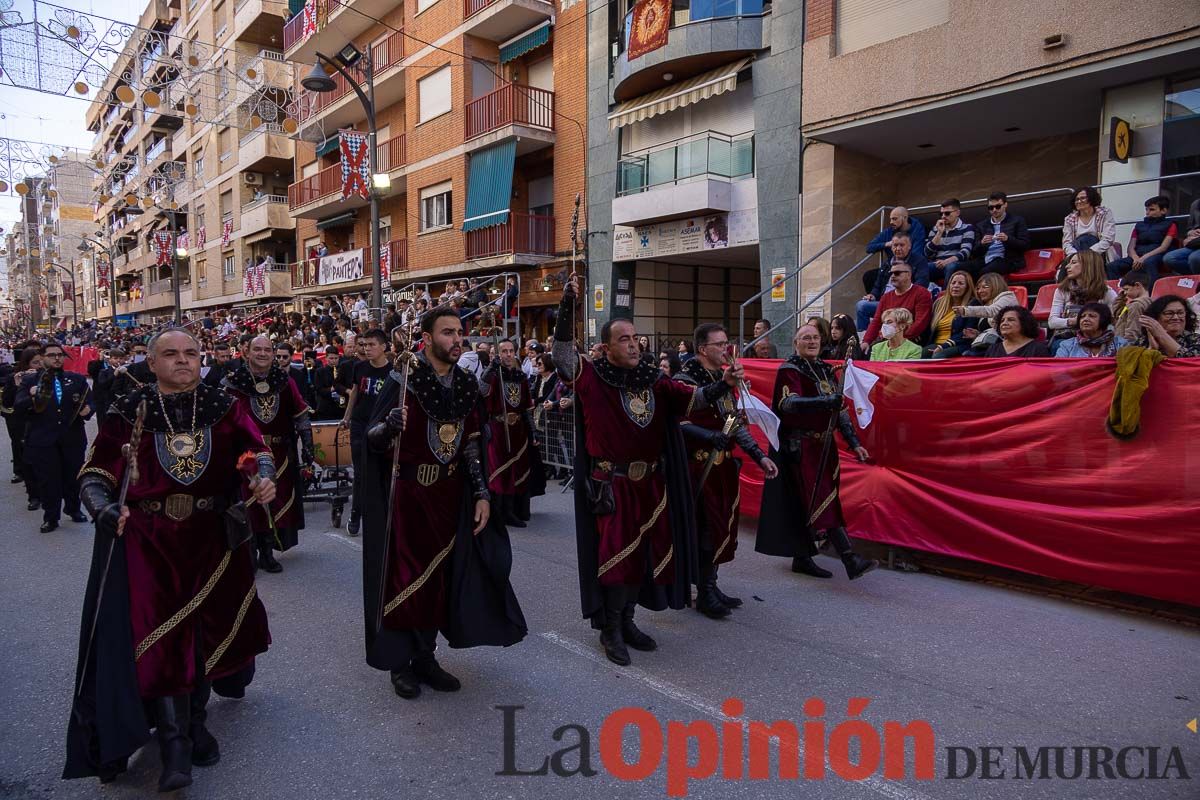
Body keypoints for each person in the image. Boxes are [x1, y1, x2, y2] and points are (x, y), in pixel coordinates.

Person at [64, 329, 277, 792]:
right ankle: (177, 741)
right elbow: (96, 471)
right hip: (147, 540)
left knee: (202, 635)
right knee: (163, 641)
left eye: (191, 354)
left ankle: (195, 723)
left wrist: (261, 475)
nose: (183, 361)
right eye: (171, 354)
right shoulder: (128, 410)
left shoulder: (225, 405)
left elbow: (254, 451)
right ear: (151, 360)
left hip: (211, 537)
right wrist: (102, 507)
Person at [552, 276, 743, 666]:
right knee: (616, 559)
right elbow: (561, 356)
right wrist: (567, 307)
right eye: (624, 339)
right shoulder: (591, 377)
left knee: (642, 557)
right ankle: (609, 629)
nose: (634, 343)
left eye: (635, 337)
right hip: (614, 485)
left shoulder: (656, 380)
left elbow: (695, 400)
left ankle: (627, 621)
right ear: (606, 347)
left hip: (652, 484)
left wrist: (724, 384)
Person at [360, 306, 526, 700]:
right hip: (407, 500)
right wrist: (388, 427)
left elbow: (470, 445)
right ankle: (401, 662)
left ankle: (426, 657)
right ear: (428, 337)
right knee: (404, 581)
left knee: (440, 581)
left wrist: (482, 494)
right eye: (447, 333)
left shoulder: (466, 385)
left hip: (450, 498)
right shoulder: (403, 381)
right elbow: (372, 440)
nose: (456, 340)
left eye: (459, 333)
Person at [756, 324, 876, 580]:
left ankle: (802, 557)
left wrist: (854, 442)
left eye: (814, 337)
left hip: (824, 446)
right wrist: (824, 401)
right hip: (801, 447)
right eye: (805, 338)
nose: (811, 341)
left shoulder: (825, 369)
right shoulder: (790, 369)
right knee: (823, 499)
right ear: (795, 343)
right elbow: (787, 403)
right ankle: (849, 558)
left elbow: (839, 412)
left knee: (808, 502)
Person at [676, 323, 778, 618]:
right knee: (705, 528)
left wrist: (759, 456)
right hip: (697, 467)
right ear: (702, 349)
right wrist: (708, 437)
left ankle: (711, 584)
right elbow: (677, 423)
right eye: (719, 344)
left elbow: (734, 423)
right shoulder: (686, 379)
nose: (726, 349)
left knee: (720, 526)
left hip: (722, 467)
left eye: (727, 342)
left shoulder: (724, 379)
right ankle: (703, 591)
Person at [222, 335, 313, 572]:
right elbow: (223, 421)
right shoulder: (233, 383)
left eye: (267, 350)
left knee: (274, 501)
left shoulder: (285, 381)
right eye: (257, 349)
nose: (262, 354)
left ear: (273, 354)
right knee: (249, 503)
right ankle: (249, 550)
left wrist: (308, 444)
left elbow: (301, 413)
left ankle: (267, 551)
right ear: (247, 352)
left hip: (281, 453)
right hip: (246, 455)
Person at [15, 342, 94, 533]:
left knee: (74, 477)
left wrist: (89, 409)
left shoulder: (75, 379)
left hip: (72, 437)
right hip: (43, 439)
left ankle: (74, 509)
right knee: (48, 480)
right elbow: (18, 406)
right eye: (51, 355)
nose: (57, 358)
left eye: (60, 355)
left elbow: (89, 399)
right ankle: (51, 517)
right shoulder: (31, 381)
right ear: (42, 358)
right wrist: (33, 397)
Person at [481, 339, 546, 528]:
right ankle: (497, 512)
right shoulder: (493, 375)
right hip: (498, 429)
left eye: (511, 351)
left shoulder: (520, 377)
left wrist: (533, 432)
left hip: (518, 429)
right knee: (499, 472)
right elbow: (482, 391)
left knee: (516, 471)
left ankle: (511, 511)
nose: (508, 355)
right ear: (497, 354)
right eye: (504, 351)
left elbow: (526, 407)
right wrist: (490, 370)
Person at [339, 329, 391, 536]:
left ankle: (384, 515)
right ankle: (356, 514)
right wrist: (347, 417)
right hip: (360, 425)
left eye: (371, 345)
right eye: (364, 345)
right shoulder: (359, 367)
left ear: (384, 347)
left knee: (383, 472)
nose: (366, 349)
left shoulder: (394, 371)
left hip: (382, 427)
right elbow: (354, 395)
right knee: (360, 473)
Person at [857, 231, 931, 331]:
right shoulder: (887, 263)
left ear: (909, 246)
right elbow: (877, 286)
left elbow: (922, 283)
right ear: (891, 247)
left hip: (905, 303)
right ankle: (863, 339)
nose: (898, 248)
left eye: (902, 245)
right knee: (862, 305)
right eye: (895, 245)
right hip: (885, 301)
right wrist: (872, 295)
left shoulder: (919, 261)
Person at [1049, 251, 1117, 354]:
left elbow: (1117, 321)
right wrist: (1076, 321)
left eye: (1073, 262)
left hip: (1098, 338)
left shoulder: (1106, 292)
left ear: (1088, 265)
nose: (1067, 266)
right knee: (1060, 346)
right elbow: (1052, 322)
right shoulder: (1062, 290)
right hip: (1068, 337)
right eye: (1068, 263)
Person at [1105, 195, 1178, 285]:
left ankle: (1151, 294)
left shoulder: (1171, 225)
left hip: (1157, 255)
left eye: (1152, 210)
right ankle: (1117, 293)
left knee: (1148, 263)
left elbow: (1163, 247)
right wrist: (1135, 257)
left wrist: (1143, 258)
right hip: (1137, 256)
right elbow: (1131, 247)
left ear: (1163, 210)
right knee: (1112, 266)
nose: (1147, 213)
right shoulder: (1139, 225)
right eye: (1146, 209)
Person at [3, 346, 42, 509]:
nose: (39, 365)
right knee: (25, 455)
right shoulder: (15, 377)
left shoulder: (49, 376)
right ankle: (32, 493)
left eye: (41, 361)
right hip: (21, 422)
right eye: (35, 363)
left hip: (43, 422)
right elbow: (8, 402)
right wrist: (17, 385)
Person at [862, 261, 933, 348]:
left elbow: (920, 322)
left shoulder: (922, 293)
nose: (892, 276)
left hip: (912, 341)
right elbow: (876, 321)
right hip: (889, 340)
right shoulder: (886, 297)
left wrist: (899, 337)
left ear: (909, 275)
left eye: (897, 273)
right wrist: (866, 341)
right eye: (891, 273)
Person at [862, 206, 927, 295]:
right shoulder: (889, 231)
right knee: (869, 276)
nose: (891, 222)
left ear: (904, 218)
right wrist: (886, 244)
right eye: (895, 245)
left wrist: (901, 264)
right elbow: (869, 247)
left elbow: (917, 254)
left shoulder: (917, 229)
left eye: (894, 219)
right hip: (891, 264)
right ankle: (876, 300)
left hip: (911, 264)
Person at [963, 192, 1030, 276]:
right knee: (958, 269)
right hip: (985, 259)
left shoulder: (1017, 221)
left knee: (984, 272)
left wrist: (1008, 239)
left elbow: (1025, 245)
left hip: (1007, 260)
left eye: (998, 206)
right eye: (991, 208)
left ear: (1005, 205)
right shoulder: (981, 225)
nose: (994, 210)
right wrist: (982, 243)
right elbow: (974, 252)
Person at [955, 272, 1020, 355]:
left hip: (1009, 346)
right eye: (978, 288)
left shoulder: (1007, 296)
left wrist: (966, 310)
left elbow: (993, 311)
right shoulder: (987, 305)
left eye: (985, 287)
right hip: (993, 346)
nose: (980, 291)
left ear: (996, 286)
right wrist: (977, 334)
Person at [926, 271, 981, 358]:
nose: (956, 286)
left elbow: (966, 332)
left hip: (958, 345)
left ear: (967, 287)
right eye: (953, 283)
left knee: (938, 356)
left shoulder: (973, 304)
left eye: (961, 283)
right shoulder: (939, 303)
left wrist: (943, 346)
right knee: (918, 353)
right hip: (936, 344)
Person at [925, 198, 977, 282]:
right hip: (937, 264)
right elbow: (927, 253)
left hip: (956, 264)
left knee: (951, 267)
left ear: (957, 213)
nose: (943, 216)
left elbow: (965, 252)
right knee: (920, 268)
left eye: (947, 213)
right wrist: (939, 233)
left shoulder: (967, 228)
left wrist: (946, 261)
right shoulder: (936, 229)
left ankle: (946, 294)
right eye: (941, 213)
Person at [1062, 186, 1117, 262]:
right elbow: (1067, 243)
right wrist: (1076, 255)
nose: (1079, 201)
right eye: (1076, 199)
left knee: (1087, 239)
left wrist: (1088, 254)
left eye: (1083, 198)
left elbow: (1108, 239)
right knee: (1082, 240)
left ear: (1091, 199)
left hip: (1099, 253)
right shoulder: (1069, 219)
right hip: (1076, 253)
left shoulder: (1104, 213)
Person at [1134, 295, 1200, 357]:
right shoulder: (1144, 341)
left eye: (1180, 313)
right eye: (1169, 313)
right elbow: (1133, 365)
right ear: (1156, 317)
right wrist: (1152, 349)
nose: (1176, 317)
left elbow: (1189, 360)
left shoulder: (1195, 339)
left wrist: (1161, 335)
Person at [1055, 302, 1128, 358]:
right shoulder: (1067, 346)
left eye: (1092, 316)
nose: (1085, 319)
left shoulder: (1120, 344)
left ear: (1104, 320)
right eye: (1082, 317)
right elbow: (1058, 371)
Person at [984, 306, 1051, 358]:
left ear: (1024, 323)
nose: (1004, 323)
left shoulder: (1038, 349)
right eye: (1002, 320)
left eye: (1011, 320)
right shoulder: (993, 349)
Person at [1111, 271, 1152, 343]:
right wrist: (1120, 298)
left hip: (1126, 346)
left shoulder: (1136, 305)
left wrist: (1125, 346)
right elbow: (1118, 315)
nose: (1125, 293)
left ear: (1137, 285)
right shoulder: (1148, 302)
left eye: (1126, 289)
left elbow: (1133, 330)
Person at [1162, 199, 1200, 275]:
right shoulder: (1196, 204)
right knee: (1169, 258)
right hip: (1195, 242)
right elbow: (1190, 227)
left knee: (1194, 258)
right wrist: (1190, 234)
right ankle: (1193, 279)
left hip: (1195, 242)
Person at [314, 345, 351, 420]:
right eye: (331, 358)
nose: (334, 360)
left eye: (336, 358)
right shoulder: (320, 371)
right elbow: (318, 389)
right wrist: (332, 389)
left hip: (341, 407)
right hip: (326, 408)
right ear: (326, 358)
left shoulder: (343, 370)